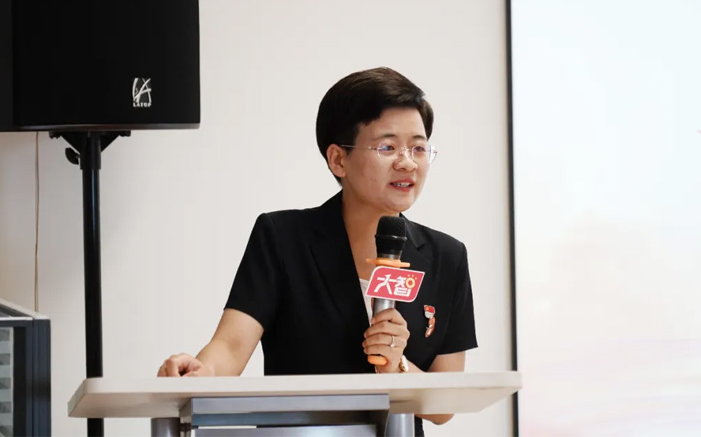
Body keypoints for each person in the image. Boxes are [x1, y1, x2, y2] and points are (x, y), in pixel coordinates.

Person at [157, 67, 477, 435]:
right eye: (387, 147)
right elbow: (230, 347)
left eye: (418, 148)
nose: (407, 162)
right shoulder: (283, 238)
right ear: (338, 159)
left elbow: (444, 406)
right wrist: (199, 373)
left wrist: (398, 366)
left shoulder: (447, 257)